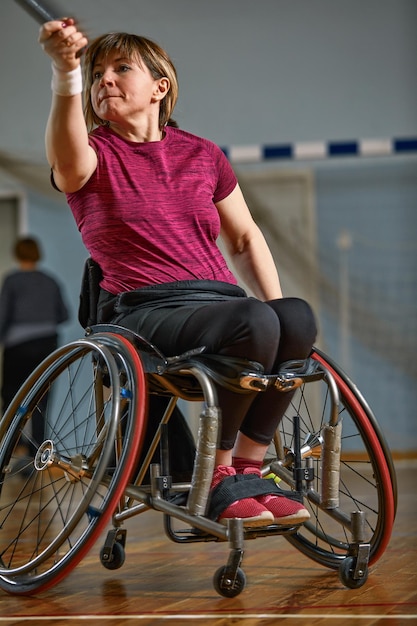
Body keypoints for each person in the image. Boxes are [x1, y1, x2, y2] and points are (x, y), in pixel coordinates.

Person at [38, 19, 317, 527]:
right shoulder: (92, 153)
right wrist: (65, 72)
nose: (105, 80)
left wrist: (277, 318)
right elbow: (67, 157)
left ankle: (251, 468)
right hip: (144, 312)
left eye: (121, 69)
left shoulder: (203, 154)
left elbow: (245, 238)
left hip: (218, 303)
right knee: (255, 322)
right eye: (97, 73)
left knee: (293, 316)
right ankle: (219, 474)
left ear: (159, 88)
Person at [0, 236, 69, 444]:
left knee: (12, 398)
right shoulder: (50, 280)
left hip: (18, 347)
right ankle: (37, 451)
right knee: (42, 399)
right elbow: (64, 315)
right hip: (48, 344)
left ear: (17, 254)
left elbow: (3, 315)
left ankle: (12, 447)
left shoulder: (12, 281)